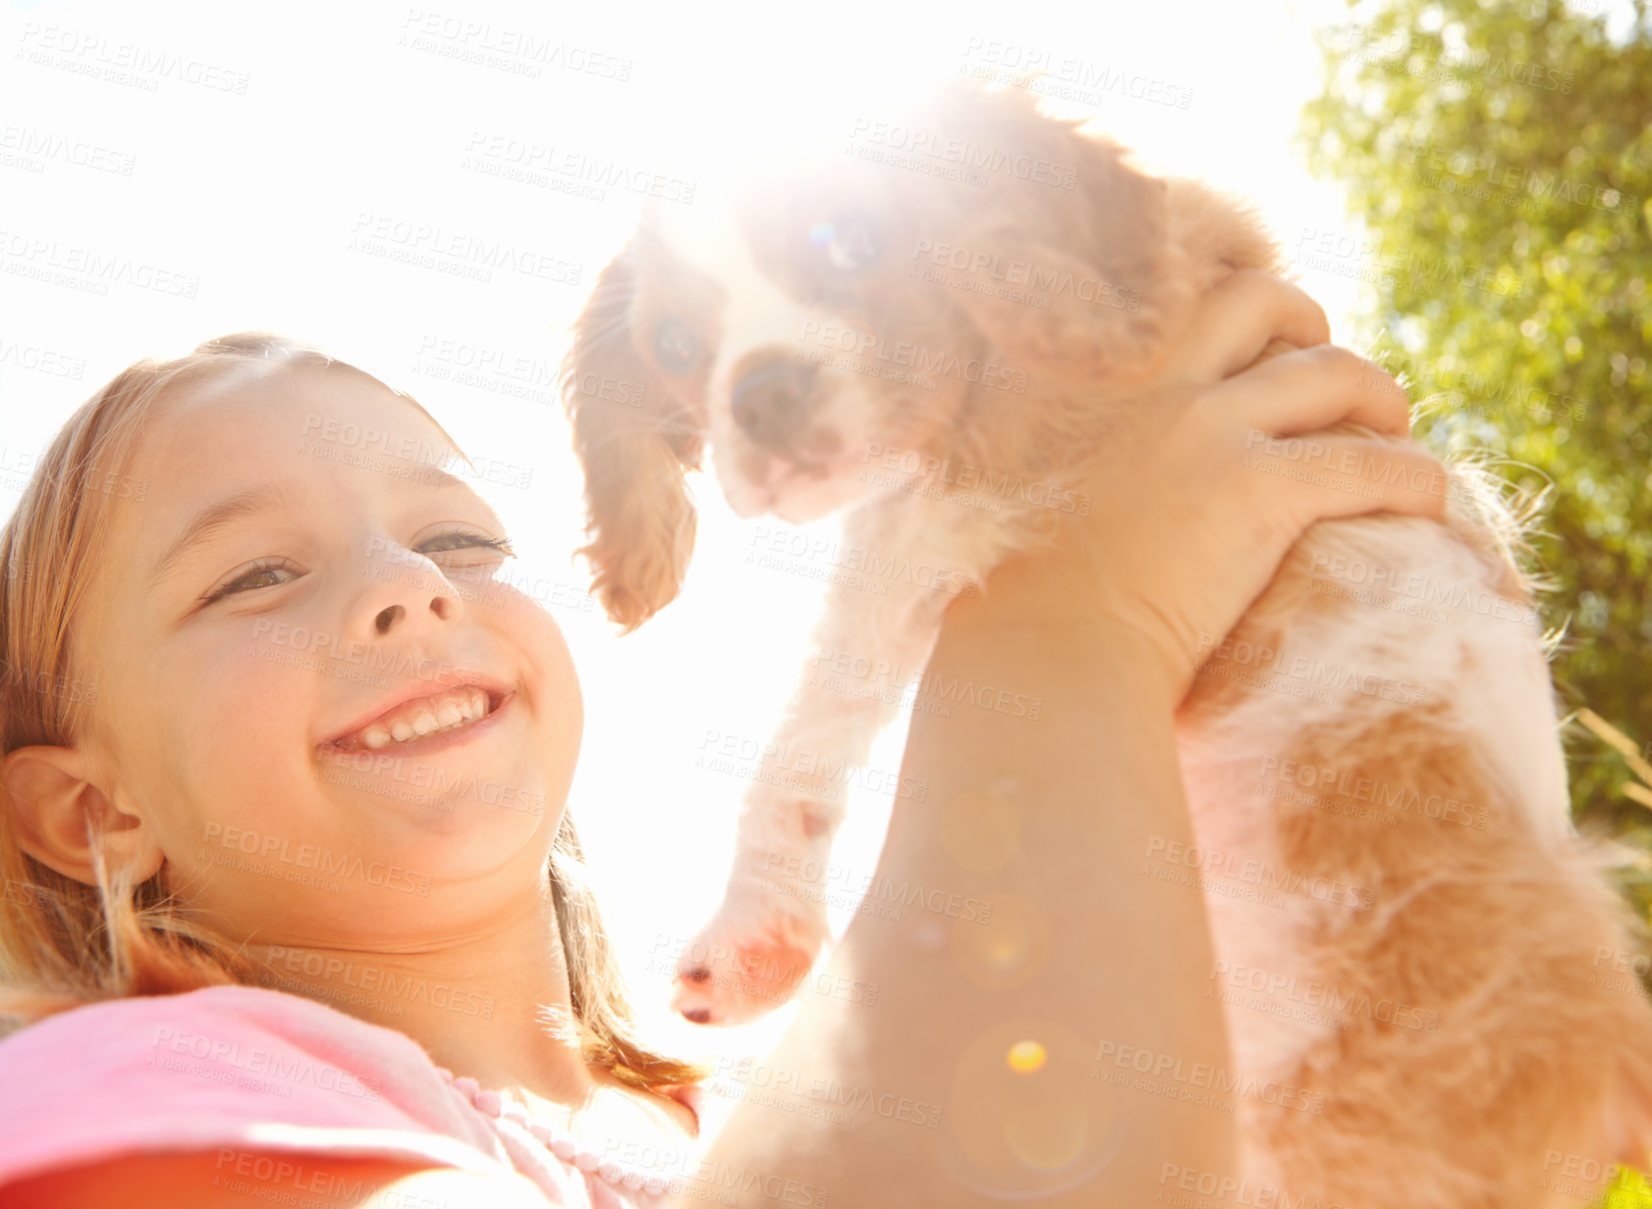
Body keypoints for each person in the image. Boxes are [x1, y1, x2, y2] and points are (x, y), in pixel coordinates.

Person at [0, 268, 1442, 1207]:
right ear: (87, 811)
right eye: (258, 572)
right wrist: (1072, 623)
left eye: (456, 535)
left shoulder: (732, 1108)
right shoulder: (133, 1092)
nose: (408, 586)